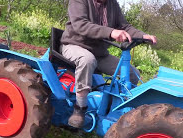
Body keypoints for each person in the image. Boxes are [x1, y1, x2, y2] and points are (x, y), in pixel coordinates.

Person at [60, 0, 157, 128]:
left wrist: (143, 35)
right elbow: (80, 24)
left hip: (99, 53)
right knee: (87, 60)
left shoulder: (112, 4)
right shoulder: (79, 1)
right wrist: (111, 32)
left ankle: (112, 110)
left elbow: (124, 26)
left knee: (132, 73)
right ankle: (80, 108)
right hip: (74, 45)